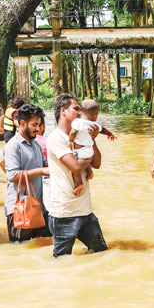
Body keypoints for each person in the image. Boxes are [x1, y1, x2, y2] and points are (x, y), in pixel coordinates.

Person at [47, 93, 108, 258]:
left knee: (101, 254)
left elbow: (97, 164)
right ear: (63, 111)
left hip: (85, 211)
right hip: (65, 213)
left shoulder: (81, 135)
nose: (80, 113)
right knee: (62, 261)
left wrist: (92, 140)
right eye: (76, 109)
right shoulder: (55, 138)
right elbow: (75, 165)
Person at [4, 103, 51, 242]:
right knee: (21, 252)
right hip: (19, 208)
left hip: (39, 207)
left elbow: (46, 165)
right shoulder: (13, 146)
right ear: (22, 123)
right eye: (34, 125)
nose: (38, 129)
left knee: (43, 247)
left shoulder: (35, 143)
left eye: (39, 124)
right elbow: (12, 175)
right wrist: (41, 171)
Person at [67, 98, 117, 195]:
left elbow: (73, 132)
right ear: (96, 116)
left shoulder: (78, 122)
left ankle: (79, 183)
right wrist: (110, 134)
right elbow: (104, 130)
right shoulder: (95, 125)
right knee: (86, 160)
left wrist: (70, 141)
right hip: (89, 150)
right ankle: (89, 172)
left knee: (75, 169)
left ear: (81, 112)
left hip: (80, 151)